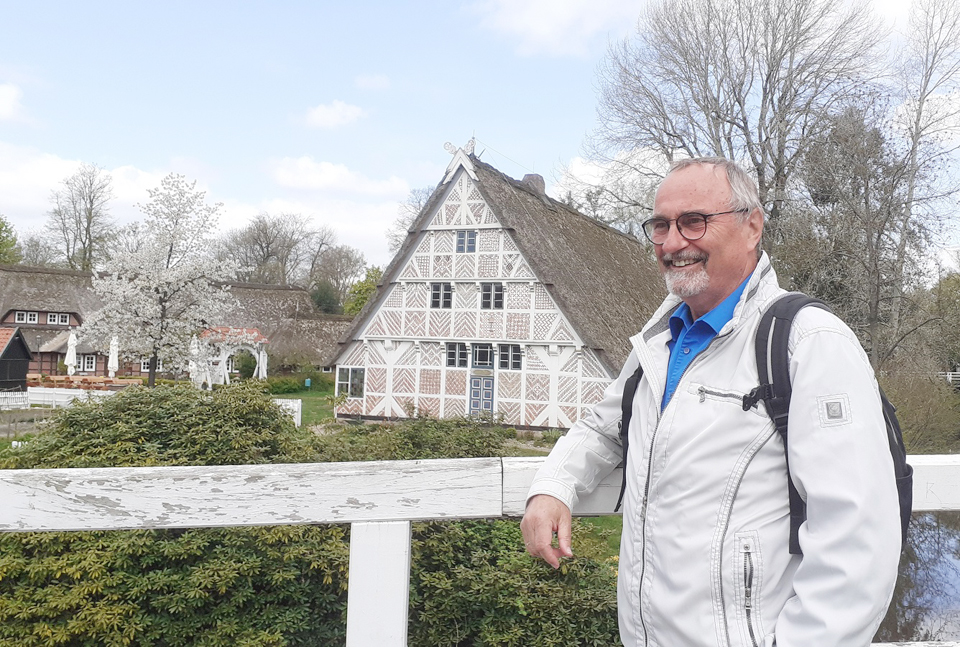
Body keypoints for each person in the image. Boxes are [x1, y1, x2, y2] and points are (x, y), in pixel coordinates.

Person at [521, 157, 901, 646]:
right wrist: (553, 486)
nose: (673, 243)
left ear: (752, 226)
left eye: (694, 221)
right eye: (661, 225)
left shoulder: (808, 342)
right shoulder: (659, 344)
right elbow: (602, 428)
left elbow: (858, 539)